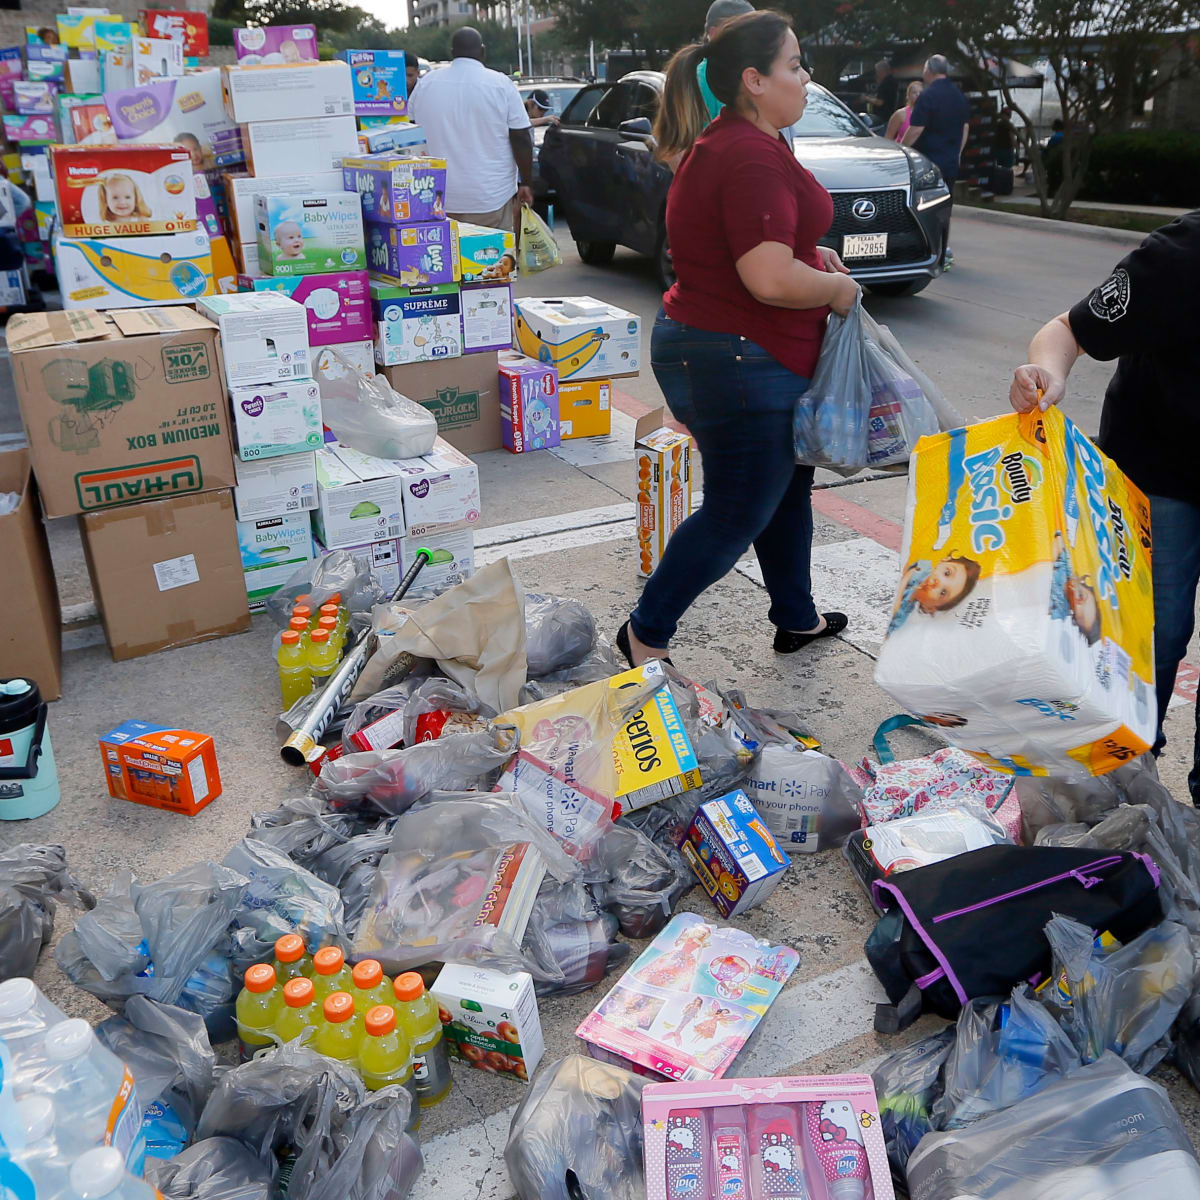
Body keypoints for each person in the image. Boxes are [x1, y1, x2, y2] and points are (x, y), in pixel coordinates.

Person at [616, 10, 858, 669]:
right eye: (796, 65)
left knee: (785, 490)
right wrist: (836, 291)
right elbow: (770, 279)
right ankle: (645, 633)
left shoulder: (750, 140)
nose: (806, 78)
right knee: (735, 511)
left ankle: (796, 616)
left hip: (735, 349)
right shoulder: (748, 154)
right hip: (738, 355)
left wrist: (814, 251)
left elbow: (761, 246)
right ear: (754, 79)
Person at [1008, 211, 1200, 804]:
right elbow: (1069, 330)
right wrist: (1046, 372)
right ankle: (1125, 774)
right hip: (1161, 478)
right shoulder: (1181, 257)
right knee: (1152, 637)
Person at [406, 27, 533, 234]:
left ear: (452, 52)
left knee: (446, 261)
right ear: (483, 51)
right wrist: (526, 183)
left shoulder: (425, 85)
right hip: (490, 198)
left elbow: (410, 133)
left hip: (436, 198)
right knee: (493, 262)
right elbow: (521, 137)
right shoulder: (501, 84)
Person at [902, 55, 969, 258]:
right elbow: (965, 127)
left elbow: (916, 129)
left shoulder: (928, 96)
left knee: (921, 207)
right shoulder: (959, 95)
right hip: (950, 162)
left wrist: (899, 149)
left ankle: (923, 250)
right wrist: (957, 153)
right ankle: (942, 249)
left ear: (929, 71)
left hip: (928, 163)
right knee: (944, 208)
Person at [697, 0, 755, 119]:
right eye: (744, 31)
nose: (754, 38)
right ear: (714, 34)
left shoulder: (750, 74)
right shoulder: (702, 80)